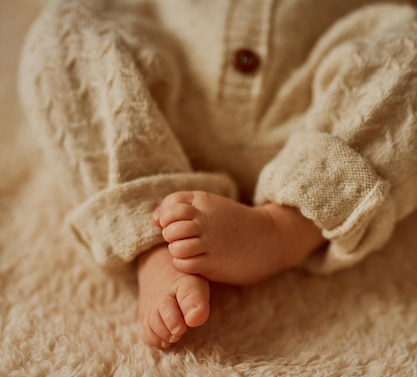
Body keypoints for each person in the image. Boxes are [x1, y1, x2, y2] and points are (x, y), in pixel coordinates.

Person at [19, 0, 417, 348]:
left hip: (317, 102)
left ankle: (285, 228)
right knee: (65, 29)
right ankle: (154, 235)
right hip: (159, 104)